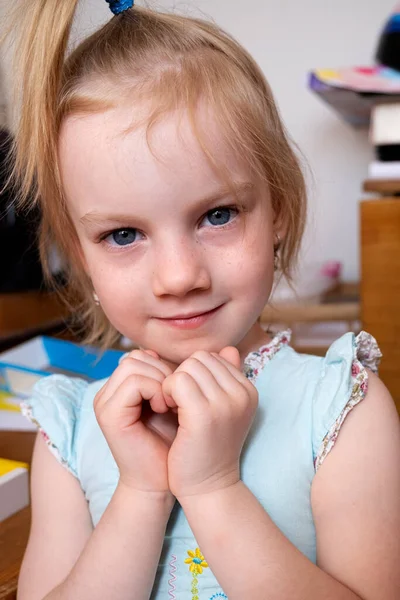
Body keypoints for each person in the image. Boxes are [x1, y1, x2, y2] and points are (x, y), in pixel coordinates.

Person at [4, 1, 400, 599]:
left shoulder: (343, 409)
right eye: (123, 235)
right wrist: (140, 491)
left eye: (217, 215)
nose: (178, 276)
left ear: (280, 212)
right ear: (80, 253)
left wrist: (215, 487)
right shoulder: (71, 429)